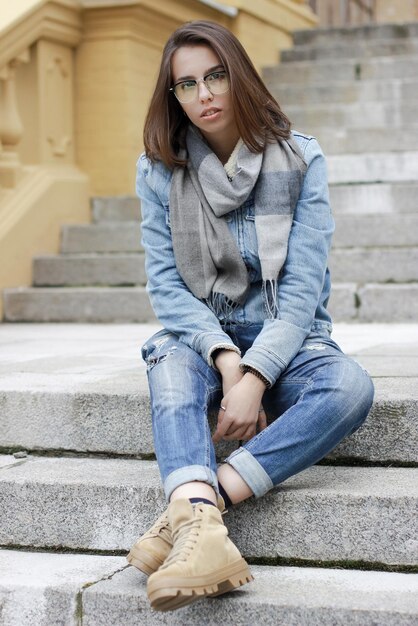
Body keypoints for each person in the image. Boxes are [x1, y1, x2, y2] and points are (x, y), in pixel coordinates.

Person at [126, 20, 374, 612]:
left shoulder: (300, 159)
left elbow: (301, 291)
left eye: (216, 76)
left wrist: (259, 375)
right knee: (170, 366)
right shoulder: (159, 169)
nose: (204, 94)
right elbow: (167, 287)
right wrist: (228, 362)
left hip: (288, 334)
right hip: (204, 334)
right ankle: (204, 530)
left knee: (350, 387)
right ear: (174, 97)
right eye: (186, 85)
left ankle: (199, 509)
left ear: (240, 76)